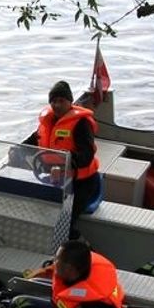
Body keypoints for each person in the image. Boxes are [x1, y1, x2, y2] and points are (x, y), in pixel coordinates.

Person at [37, 80, 101, 228]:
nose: (57, 105)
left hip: (81, 183)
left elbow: (87, 155)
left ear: (70, 102)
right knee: (41, 210)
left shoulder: (81, 124)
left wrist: (69, 162)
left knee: (65, 222)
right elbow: (36, 140)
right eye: (53, 101)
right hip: (55, 178)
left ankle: (78, 244)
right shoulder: (46, 121)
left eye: (61, 101)